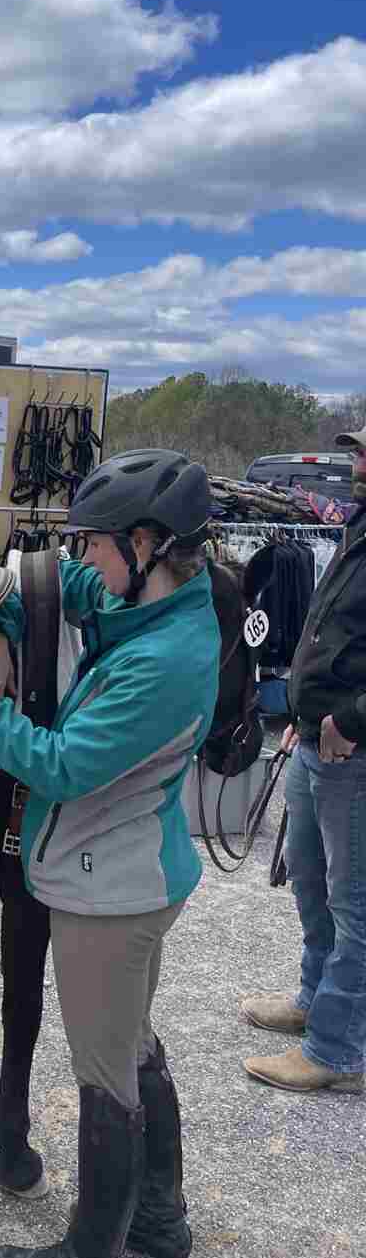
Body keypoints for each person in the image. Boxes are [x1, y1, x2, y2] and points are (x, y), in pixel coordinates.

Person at [0, 449, 219, 1258]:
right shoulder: (158, 609)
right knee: (135, 1044)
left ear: (147, 543)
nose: (85, 560)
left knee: (105, 1071)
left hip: (106, 889)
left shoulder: (164, 661)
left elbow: (59, 764)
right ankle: (159, 1221)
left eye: (96, 545)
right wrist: (4, 603)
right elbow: (71, 591)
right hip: (135, 871)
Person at [240, 427, 366, 1095]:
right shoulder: (356, 529)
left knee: (356, 906)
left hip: (354, 751)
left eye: (365, 455)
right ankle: (315, 1001)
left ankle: (337, 1050)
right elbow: (329, 633)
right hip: (316, 740)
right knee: (312, 888)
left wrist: (349, 720)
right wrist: (297, 710)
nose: (355, 464)